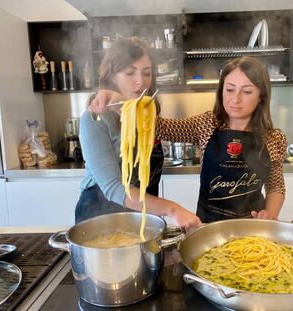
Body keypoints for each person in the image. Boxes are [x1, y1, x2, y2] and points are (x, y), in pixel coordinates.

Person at [91, 56, 286, 223]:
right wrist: (118, 102)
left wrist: (269, 214)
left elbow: (275, 185)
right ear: (221, 91)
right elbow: (157, 127)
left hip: (252, 229)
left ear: (261, 96)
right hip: (209, 227)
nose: (235, 99)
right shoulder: (206, 124)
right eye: (230, 89)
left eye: (247, 91)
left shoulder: (274, 139)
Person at [76, 36, 201, 229]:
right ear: (112, 76)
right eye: (129, 73)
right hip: (100, 218)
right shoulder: (94, 119)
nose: (140, 82)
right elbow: (114, 188)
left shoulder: (147, 115)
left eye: (147, 73)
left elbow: (186, 129)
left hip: (142, 216)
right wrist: (173, 209)